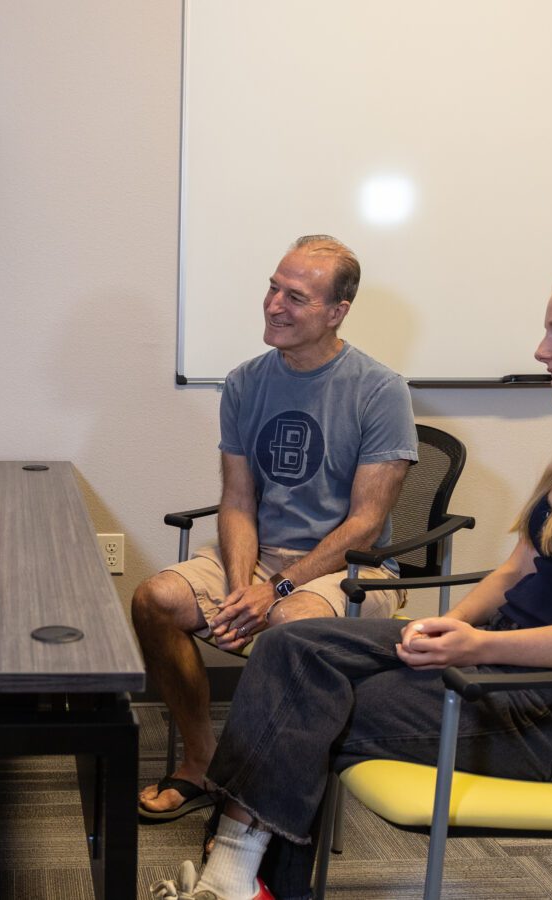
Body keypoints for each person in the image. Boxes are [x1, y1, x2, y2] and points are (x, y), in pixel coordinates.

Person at [151, 260, 552, 900]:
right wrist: (457, 626)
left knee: (306, 702)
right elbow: (518, 570)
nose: (542, 351)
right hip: (501, 669)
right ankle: (240, 880)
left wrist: (481, 647)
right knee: (291, 648)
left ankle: (231, 878)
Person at [134, 235, 417, 820]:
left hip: (352, 570)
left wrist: (277, 591)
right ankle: (203, 762)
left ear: (337, 313)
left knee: (290, 626)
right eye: (272, 287)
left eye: (296, 296)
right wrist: (244, 586)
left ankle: (254, 798)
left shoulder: (380, 389)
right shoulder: (244, 381)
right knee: (154, 599)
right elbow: (237, 499)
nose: (273, 305)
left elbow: (365, 526)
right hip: (260, 556)